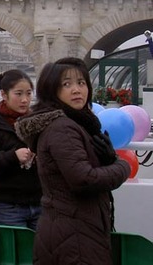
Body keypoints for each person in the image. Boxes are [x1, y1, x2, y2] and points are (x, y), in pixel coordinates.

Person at [15, 57, 130, 265]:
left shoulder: (75, 123)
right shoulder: (63, 128)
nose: (77, 90)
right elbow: (83, 179)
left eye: (81, 83)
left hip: (71, 230)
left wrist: (105, 160)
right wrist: (121, 166)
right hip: (75, 236)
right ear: (52, 91)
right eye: (66, 84)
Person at [0, 69, 42, 230]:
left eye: (29, 93)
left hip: (41, 203)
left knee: (43, 254)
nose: (25, 100)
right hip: (10, 207)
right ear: (4, 95)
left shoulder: (38, 122)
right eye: (18, 94)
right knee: (15, 254)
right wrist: (13, 156)